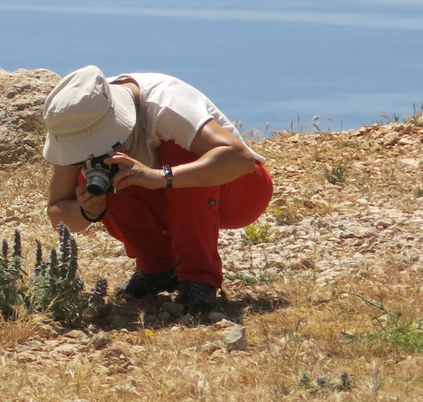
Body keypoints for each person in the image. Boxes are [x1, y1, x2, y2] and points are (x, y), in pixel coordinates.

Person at [43, 66, 272, 315]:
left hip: (241, 191)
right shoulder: (72, 119)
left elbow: (240, 159)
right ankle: (158, 268)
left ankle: (199, 278)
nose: (88, 150)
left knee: (180, 153)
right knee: (96, 173)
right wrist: (86, 210)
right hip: (171, 200)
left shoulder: (164, 103)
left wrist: (158, 177)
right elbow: (58, 214)